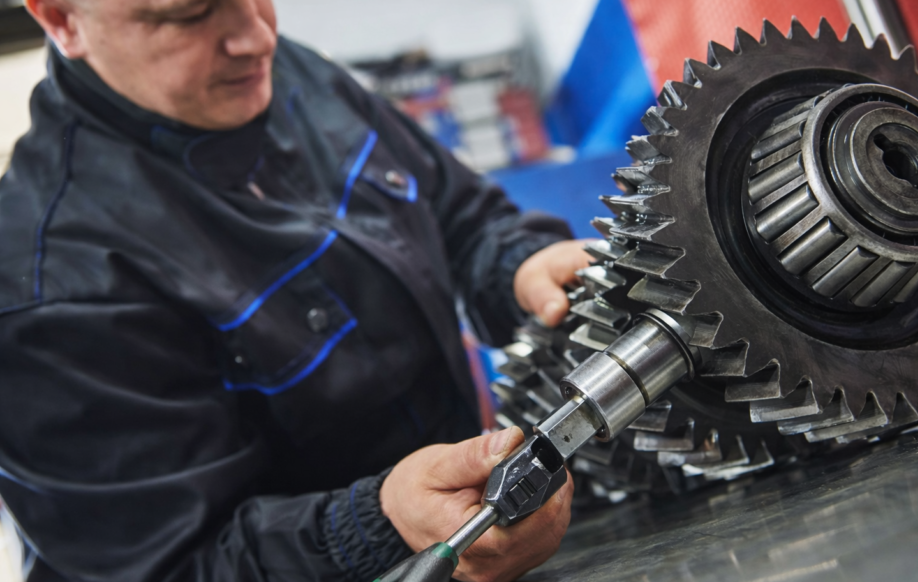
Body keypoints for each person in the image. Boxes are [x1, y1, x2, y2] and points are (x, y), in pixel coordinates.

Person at [0, 1, 593, 580]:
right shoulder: (50, 287)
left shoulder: (290, 73)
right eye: (188, 14)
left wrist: (520, 265)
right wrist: (382, 523)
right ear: (61, 19)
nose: (256, 37)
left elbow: (458, 214)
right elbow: (175, 563)